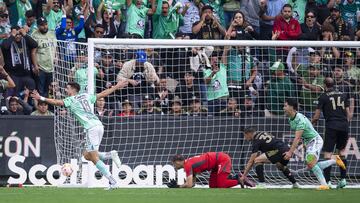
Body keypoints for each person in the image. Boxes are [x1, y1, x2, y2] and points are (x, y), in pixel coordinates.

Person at [30, 81, 128, 190]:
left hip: (91, 129)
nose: (66, 90)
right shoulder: (85, 96)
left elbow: (56, 102)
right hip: (99, 125)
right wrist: (116, 87)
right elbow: (103, 94)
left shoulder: (71, 100)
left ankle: (113, 181)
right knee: (86, 155)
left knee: (94, 159)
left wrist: (41, 98)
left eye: (67, 88)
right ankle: (110, 154)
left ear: (73, 89)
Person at [283, 98, 346, 190]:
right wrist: (305, 145)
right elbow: (304, 134)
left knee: (310, 162)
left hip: (315, 140)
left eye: (285, 106)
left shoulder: (300, 119)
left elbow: (297, 138)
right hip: (309, 142)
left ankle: (324, 185)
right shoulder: (290, 119)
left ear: (292, 107)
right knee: (311, 165)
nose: (283, 108)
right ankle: (335, 160)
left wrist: (290, 152)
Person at [312, 77, 350, 188]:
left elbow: (317, 116)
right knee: (342, 152)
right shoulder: (343, 95)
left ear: (324, 85)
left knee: (328, 154)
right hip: (344, 126)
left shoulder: (323, 97)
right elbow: (348, 114)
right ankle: (343, 180)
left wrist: (311, 124)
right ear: (333, 84)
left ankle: (328, 182)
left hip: (331, 126)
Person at [168, 152, 255, 188]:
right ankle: (235, 177)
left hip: (222, 159)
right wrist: (181, 185)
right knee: (213, 186)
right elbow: (192, 184)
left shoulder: (187, 166)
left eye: (174, 164)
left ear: (178, 162)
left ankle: (239, 180)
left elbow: (189, 184)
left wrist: (178, 186)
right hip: (215, 165)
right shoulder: (188, 164)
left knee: (221, 185)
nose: (174, 166)